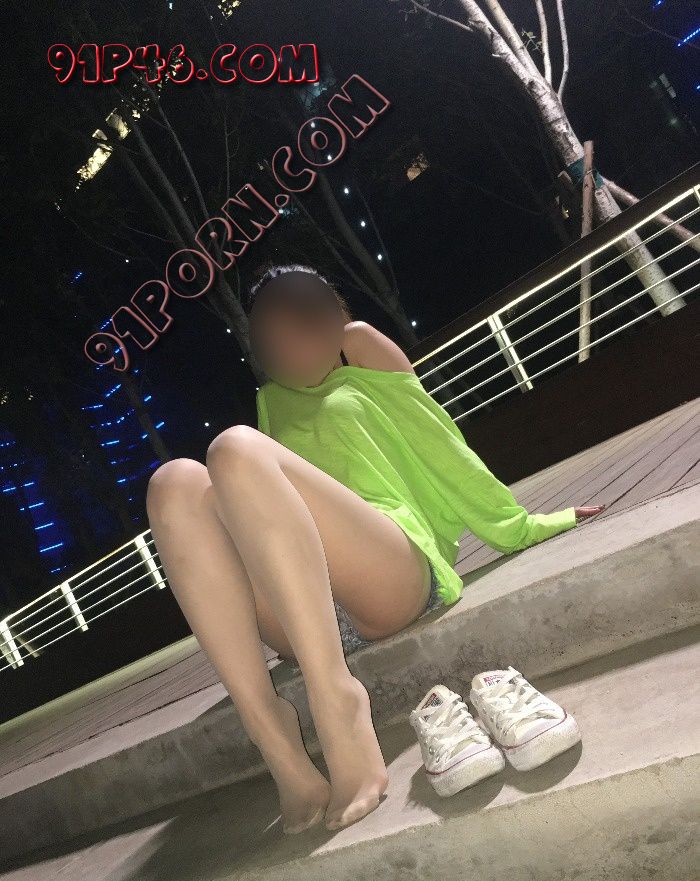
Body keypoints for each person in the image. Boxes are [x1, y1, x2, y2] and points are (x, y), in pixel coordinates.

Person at [145, 263, 605, 835]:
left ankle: (336, 704)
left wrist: (522, 526)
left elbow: (443, 450)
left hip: (391, 570)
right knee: (173, 484)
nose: (281, 352)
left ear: (329, 321)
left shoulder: (362, 353)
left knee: (234, 449)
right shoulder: (272, 404)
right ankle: (270, 733)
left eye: (292, 331)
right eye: (268, 343)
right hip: (308, 612)